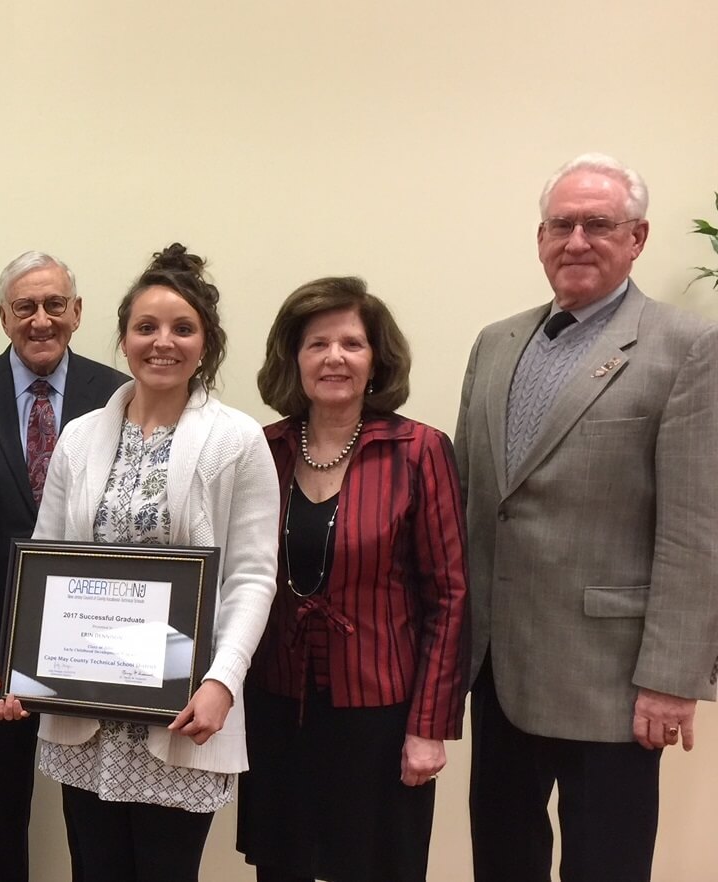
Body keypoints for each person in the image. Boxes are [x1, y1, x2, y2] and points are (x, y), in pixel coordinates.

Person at [457, 153, 718, 882]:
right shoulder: (496, 341)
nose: (576, 240)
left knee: (606, 863)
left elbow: (697, 529)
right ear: (539, 237)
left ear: (637, 237)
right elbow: (476, 497)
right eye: (560, 224)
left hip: (614, 677)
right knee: (503, 856)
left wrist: (672, 677)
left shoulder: (687, 347)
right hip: (497, 663)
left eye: (597, 224)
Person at [0, 243, 279, 882]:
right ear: (123, 338)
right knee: (93, 870)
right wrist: (20, 662)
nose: (162, 342)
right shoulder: (81, 435)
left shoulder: (237, 440)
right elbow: (49, 560)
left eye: (182, 328)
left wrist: (221, 682)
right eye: (145, 327)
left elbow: (253, 577)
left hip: (182, 709)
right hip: (87, 709)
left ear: (207, 341)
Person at [237, 276, 468, 882]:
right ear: (294, 359)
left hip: (380, 714)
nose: (334, 358)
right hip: (279, 706)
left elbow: (449, 597)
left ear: (376, 359)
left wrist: (429, 727)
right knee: (284, 865)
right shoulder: (264, 450)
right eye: (316, 344)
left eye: (351, 344)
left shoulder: (419, 450)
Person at [0, 250, 127, 882]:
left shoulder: (118, 394)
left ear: (77, 312)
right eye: (25, 307)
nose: (41, 320)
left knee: (95, 805)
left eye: (54, 305)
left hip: (94, 637)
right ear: (2, 317)